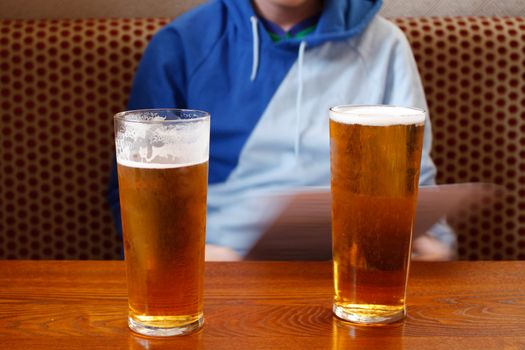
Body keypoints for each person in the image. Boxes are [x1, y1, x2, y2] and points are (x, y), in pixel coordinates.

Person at [107, 0, 455, 261]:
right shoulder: (182, 43)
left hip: (354, 262)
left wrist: (431, 241)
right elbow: (137, 192)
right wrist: (189, 255)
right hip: (222, 262)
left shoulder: (386, 45)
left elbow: (412, 176)